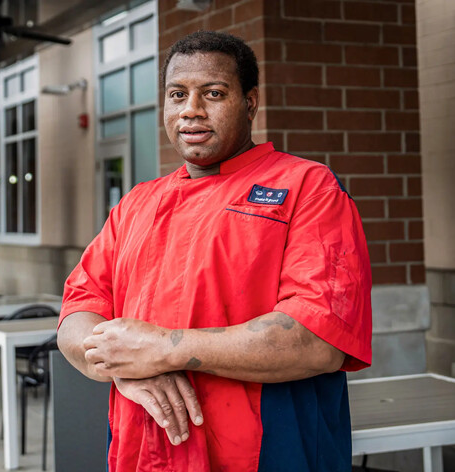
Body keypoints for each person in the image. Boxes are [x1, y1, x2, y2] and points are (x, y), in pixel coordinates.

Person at [58, 30, 372, 472]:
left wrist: (162, 349)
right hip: (141, 452)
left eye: (214, 93)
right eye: (177, 94)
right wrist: (119, 368)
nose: (191, 110)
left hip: (266, 454)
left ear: (250, 102)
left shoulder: (307, 187)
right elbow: (77, 312)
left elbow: (317, 340)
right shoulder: (136, 203)